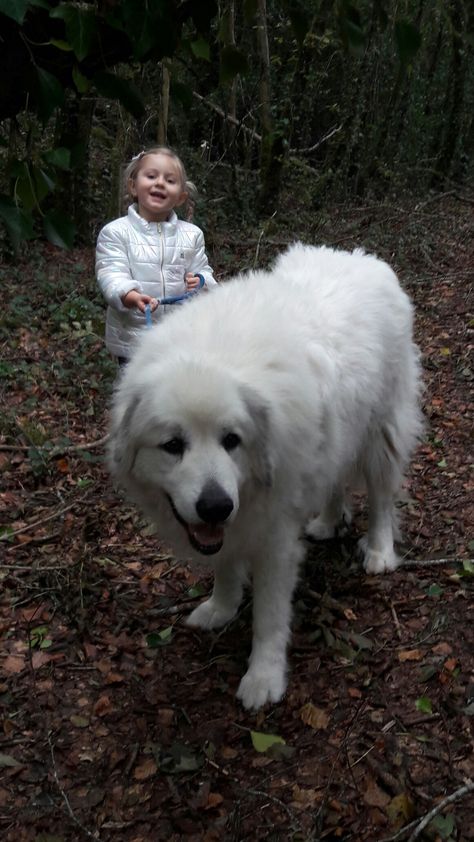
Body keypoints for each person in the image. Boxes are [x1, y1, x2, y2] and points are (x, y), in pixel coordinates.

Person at [96, 146, 217, 364]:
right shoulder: (115, 232)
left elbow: (203, 272)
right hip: (133, 338)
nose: (160, 183)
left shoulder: (192, 235)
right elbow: (111, 274)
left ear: (181, 197)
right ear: (133, 186)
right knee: (137, 392)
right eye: (151, 176)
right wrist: (129, 295)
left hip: (180, 336)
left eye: (170, 181)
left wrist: (200, 282)